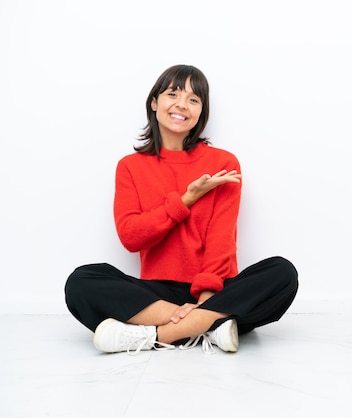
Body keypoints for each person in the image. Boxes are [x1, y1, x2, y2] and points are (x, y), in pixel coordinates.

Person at [64, 65, 298, 354]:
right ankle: (212, 326)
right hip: (156, 293)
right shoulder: (130, 166)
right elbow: (130, 237)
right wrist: (186, 199)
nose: (182, 105)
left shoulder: (223, 163)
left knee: (282, 273)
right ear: (154, 102)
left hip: (214, 291)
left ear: (202, 111)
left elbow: (221, 240)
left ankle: (155, 335)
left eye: (193, 99)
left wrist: (206, 299)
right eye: (173, 93)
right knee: (81, 281)